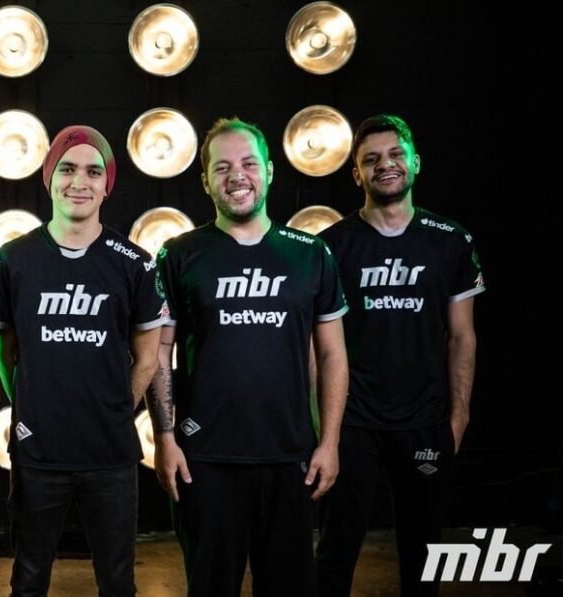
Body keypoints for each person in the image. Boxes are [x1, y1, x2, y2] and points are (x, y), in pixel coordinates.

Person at [146, 117, 349, 597]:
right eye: (222, 167)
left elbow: (332, 355)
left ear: (270, 171)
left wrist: (329, 442)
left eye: (248, 164)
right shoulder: (179, 253)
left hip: (290, 457)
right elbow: (159, 352)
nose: (237, 176)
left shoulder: (311, 254)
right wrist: (165, 438)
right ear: (205, 181)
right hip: (205, 460)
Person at [0, 125, 165, 596]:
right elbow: (3, 349)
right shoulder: (12, 259)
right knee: (28, 580)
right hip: (37, 453)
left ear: (107, 184)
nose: (79, 182)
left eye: (92, 171)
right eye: (67, 169)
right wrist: (28, 401)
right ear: (49, 178)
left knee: (118, 582)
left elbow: (148, 357)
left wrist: (115, 408)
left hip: (110, 454)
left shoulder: (135, 262)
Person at [315, 114, 484, 597]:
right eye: (371, 159)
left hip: (424, 420)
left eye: (395, 155)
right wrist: (322, 427)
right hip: (354, 422)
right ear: (357, 174)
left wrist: (458, 417)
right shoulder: (331, 247)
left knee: (423, 555)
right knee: (336, 551)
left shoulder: (451, 240)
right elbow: (319, 349)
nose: (384, 165)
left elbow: (462, 337)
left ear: (415, 162)